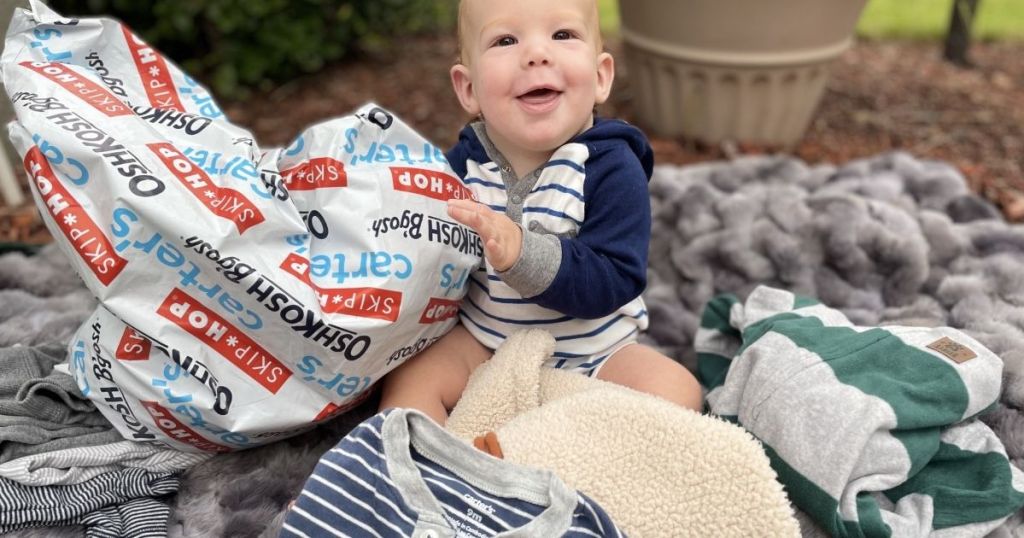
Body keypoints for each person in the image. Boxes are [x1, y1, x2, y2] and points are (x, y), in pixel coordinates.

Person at [379, 0, 703, 424]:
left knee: (678, 392)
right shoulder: (461, 167)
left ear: (601, 76)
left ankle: (564, 459)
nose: (536, 54)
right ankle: (413, 469)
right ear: (469, 88)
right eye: (506, 40)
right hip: (483, 345)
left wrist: (523, 255)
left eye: (563, 35)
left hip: (594, 354)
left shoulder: (611, 168)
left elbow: (615, 278)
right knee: (410, 381)